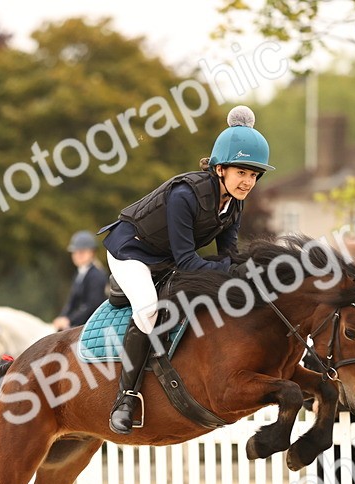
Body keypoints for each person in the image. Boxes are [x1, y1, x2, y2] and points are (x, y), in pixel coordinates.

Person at [99, 105, 273, 434]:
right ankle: (126, 398)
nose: (248, 182)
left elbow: (229, 255)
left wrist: (256, 271)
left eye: (253, 175)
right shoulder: (185, 195)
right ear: (220, 169)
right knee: (149, 311)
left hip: (163, 257)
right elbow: (187, 261)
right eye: (242, 173)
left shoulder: (233, 203)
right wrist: (232, 272)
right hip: (131, 251)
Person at [52, 230, 109, 331]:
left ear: (91, 252)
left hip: (93, 325)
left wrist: (69, 320)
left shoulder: (96, 275)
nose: (77, 255)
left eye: (81, 252)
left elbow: (92, 305)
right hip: (79, 323)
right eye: (75, 252)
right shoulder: (79, 273)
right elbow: (71, 302)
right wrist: (63, 317)